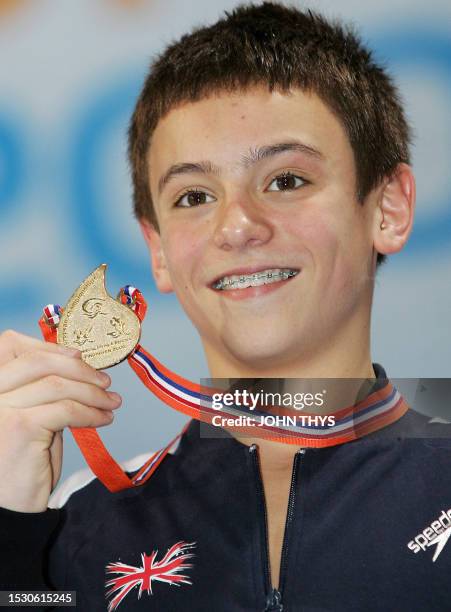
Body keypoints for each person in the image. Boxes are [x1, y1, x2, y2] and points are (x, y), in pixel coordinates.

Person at [0, 3, 450, 610]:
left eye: (286, 181)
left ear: (388, 208)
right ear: (157, 251)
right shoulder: (83, 522)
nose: (236, 227)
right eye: (193, 195)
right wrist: (12, 528)